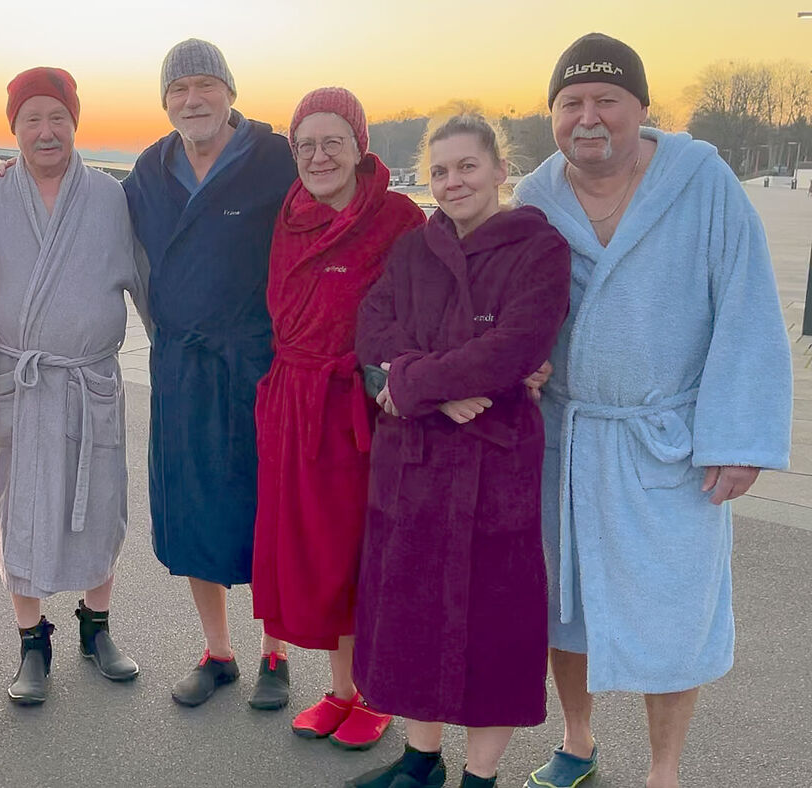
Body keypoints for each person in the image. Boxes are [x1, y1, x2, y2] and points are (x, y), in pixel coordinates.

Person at [512, 33, 792, 788]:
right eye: (571, 102)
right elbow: (503, 308)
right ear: (553, 115)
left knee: (673, 611)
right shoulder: (535, 198)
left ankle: (663, 770)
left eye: (607, 100)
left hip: (668, 440)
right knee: (562, 604)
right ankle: (577, 741)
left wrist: (739, 439)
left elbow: (747, 307)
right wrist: (512, 368)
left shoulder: (702, 184)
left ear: (641, 107)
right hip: (565, 438)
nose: (589, 117)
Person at [348, 113, 571, 788]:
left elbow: (515, 347)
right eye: (440, 171)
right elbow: (372, 328)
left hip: (495, 465)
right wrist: (434, 394)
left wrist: (410, 381)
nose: (453, 182)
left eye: (467, 166)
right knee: (413, 614)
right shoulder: (414, 250)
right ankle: (421, 760)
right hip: (414, 462)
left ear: (501, 170)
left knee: (493, 627)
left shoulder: (539, 249)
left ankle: (480, 774)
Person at [0, 67, 147, 705]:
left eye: (57, 118)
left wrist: (178, 357)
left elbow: (147, 279)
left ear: (75, 124)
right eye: (32, 119)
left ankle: (97, 627)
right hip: (22, 384)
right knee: (23, 509)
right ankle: (31, 642)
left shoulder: (110, 198)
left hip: (90, 382)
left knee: (102, 504)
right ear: (14, 129)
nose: (46, 131)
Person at [122, 38, 298, 709]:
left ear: (229, 92)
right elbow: (95, 216)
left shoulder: (275, 157)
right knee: (193, 507)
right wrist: (12, 179)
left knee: (268, 506)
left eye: (205, 85)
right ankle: (219, 652)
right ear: (165, 101)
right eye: (179, 89)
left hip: (258, 359)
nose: (192, 99)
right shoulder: (150, 170)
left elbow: (334, 207)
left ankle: (276, 651)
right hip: (182, 367)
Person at [252, 87, 423, 749]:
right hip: (295, 405)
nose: (318, 156)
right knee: (318, 557)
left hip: (366, 411)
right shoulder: (288, 215)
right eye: (306, 145)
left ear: (359, 146)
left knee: (365, 556)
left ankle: (379, 692)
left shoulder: (399, 217)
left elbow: (434, 304)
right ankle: (342, 689)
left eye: (333, 142)